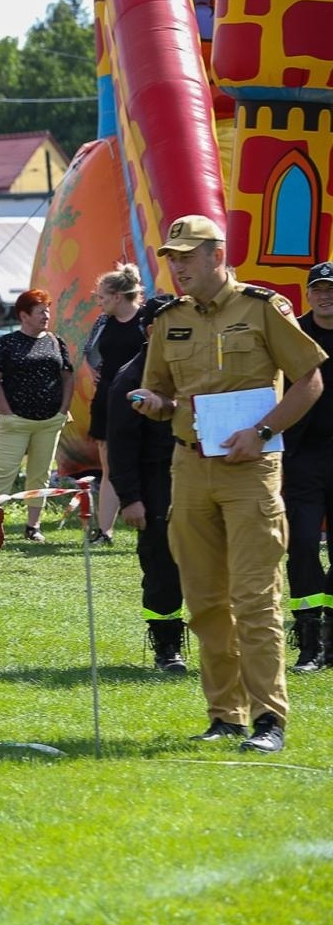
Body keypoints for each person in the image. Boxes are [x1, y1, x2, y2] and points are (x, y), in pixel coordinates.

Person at [130, 215, 326, 753]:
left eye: (188, 256)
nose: (178, 266)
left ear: (218, 254)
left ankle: (270, 721)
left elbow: (309, 378)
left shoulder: (263, 308)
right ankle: (226, 716)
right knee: (205, 600)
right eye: (172, 257)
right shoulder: (169, 321)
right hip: (189, 467)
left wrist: (263, 431)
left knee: (255, 597)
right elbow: (163, 394)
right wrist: (155, 405)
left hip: (251, 470)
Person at [106, 334, 186, 673]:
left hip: (197, 474)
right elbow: (120, 447)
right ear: (150, 329)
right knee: (162, 566)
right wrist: (131, 499)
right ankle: (166, 646)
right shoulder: (131, 377)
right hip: (155, 484)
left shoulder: (190, 365)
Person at [0, 289, 74, 543]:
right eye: (40, 311)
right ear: (24, 315)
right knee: (4, 472)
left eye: (48, 309)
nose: (46, 315)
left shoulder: (56, 341)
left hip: (49, 422)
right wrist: (6, 412)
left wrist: (63, 410)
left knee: (40, 474)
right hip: (16, 421)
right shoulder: (6, 343)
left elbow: (68, 376)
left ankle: (33, 527)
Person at [282, 260, 333, 671]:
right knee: (300, 544)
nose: (325, 295)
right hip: (302, 458)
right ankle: (309, 644)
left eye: (331, 288)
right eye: (318, 288)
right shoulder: (293, 333)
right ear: (308, 293)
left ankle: (330, 640)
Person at [86, 263, 147, 545]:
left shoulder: (147, 320)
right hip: (107, 400)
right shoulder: (103, 322)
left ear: (118, 296)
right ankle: (104, 531)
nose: (99, 302)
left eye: (102, 297)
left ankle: (149, 521)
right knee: (109, 466)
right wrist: (96, 372)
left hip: (142, 401)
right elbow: (90, 352)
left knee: (147, 461)